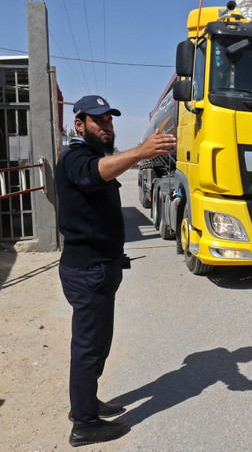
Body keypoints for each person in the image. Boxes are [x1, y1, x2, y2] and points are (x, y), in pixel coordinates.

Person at [56, 95, 176, 446]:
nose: (106, 127)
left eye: (109, 121)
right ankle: (84, 424)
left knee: (99, 345)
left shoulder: (96, 155)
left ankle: (86, 402)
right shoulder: (76, 157)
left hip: (101, 269)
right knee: (88, 348)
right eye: (99, 121)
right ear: (80, 125)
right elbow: (95, 175)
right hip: (88, 270)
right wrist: (141, 152)